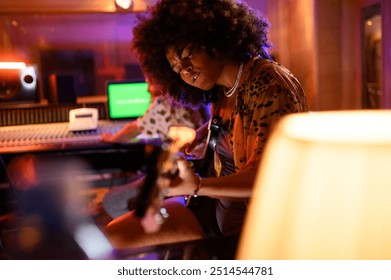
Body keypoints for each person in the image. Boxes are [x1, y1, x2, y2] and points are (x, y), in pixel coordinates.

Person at [105, 0, 309, 249]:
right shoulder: (225, 86)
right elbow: (237, 121)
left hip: (249, 225)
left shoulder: (268, 85)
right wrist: (203, 133)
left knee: (119, 236)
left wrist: (199, 186)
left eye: (189, 54)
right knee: (116, 232)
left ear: (215, 39)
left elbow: (270, 177)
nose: (187, 70)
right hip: (212, 208)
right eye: (177, 68)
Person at [101, 78, 209, 219]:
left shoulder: (164, 102)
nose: (147, 89)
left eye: (151, 83)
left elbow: (132, 130)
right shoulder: (190, 95)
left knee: (111, 200)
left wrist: (111, 138)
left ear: (162, 80)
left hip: (183, 171)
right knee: (136, 177)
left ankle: (143, 235)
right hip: (199, 165)